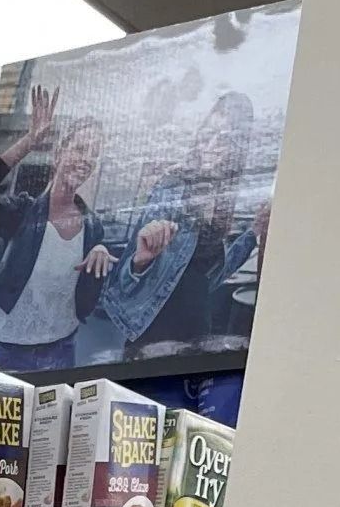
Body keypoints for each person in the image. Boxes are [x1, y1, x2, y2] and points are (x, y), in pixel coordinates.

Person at [97, 89, 265, 361]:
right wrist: (141, 260)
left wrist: (253, 233)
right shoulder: (173, 187)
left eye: (222, 140)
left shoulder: (225, 200)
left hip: (198, 327)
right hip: (154, 323)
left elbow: (211, 276)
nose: (209, 146)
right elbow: (124, 278)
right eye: (206, 135)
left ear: (236, 148)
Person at [0, 83, 116, 374]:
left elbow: (91, 299)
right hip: (10, 350)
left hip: (63, 350)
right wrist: (30, 140)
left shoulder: (94, 229)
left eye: (94, 153)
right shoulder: (25, 212)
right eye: (79, 148)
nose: (86, 158)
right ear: (58, 154)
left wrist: (101, 251)